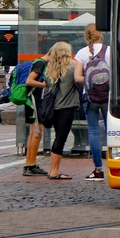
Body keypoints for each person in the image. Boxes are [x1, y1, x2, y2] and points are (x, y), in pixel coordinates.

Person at [74, 24, 109, 182]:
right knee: (112, 132)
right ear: (100, 34)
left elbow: (77, 78)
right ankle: (117, 166)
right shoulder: (109, 50)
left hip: (90, 97)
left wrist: (91, 82)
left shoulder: (82, 53)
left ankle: (98, 170)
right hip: (108, 96)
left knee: (93, 132)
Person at [43, 42, 80, 180]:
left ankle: (53, 169)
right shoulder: (71, 68)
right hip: (66, 108)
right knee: (61, 139)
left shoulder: (50, 69)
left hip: (54, 109)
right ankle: (54, 171)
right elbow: (79, 84)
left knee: (58, 137)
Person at [22, 55, 49, 176]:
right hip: (35, 101)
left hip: (30, 100)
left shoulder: (37, 61)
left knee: (33, 131)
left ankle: (29, 163)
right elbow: (29, 81)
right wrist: (46, 85)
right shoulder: (41, 64)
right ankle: (31, 164)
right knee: (37, 131)